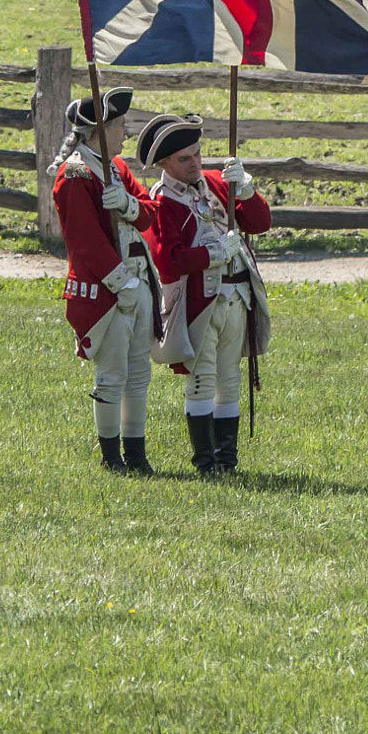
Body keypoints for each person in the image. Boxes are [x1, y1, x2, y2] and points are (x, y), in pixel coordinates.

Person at [136, 114, 273, 474]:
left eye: (197, 154)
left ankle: (227, 460)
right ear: (164, 164)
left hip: (238, 295)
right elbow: (169, 260)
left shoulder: (215, 182)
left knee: (229, 379)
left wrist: (245, 190)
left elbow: (259, 223)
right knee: (201, 379)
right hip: (199, 301)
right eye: (185, 159)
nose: (196, 163)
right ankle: (205, 461)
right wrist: (215, 254)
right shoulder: (163, 201)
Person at [50, 86, 158, 474]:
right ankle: (112, 458)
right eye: (120, 125)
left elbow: (149, 214)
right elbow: (85, 242)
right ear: (102, 128)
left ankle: (138, 454)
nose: (126, 132)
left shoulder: (117, 169)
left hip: (138, 281)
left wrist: (127, 204)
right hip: (107, 290)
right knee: (112, 375)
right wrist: (120, 282)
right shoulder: (76, 173)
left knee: (138, 374)